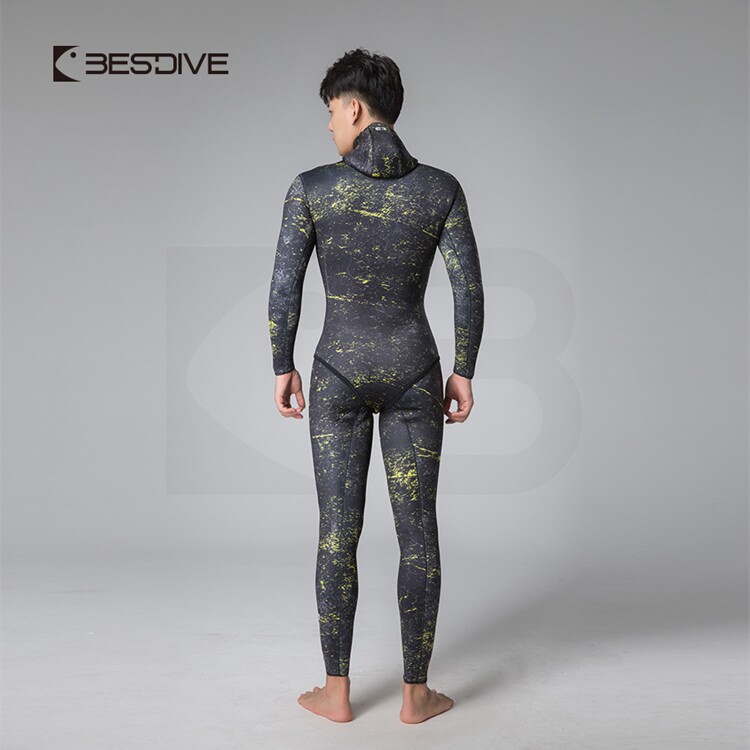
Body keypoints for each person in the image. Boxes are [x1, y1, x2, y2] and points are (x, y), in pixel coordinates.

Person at [267, 48, 484, 724]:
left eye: (332, 112)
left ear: (355, 107)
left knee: (338, 533)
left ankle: (336, 693)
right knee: (419, 535)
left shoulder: (312, 188)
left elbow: (283, 289)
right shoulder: (440, 189)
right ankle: (417, 696)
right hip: (414, 372)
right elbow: (469, 290)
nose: (330, 125)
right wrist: (464, 369)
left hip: (336, 373)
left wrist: (281, 363)